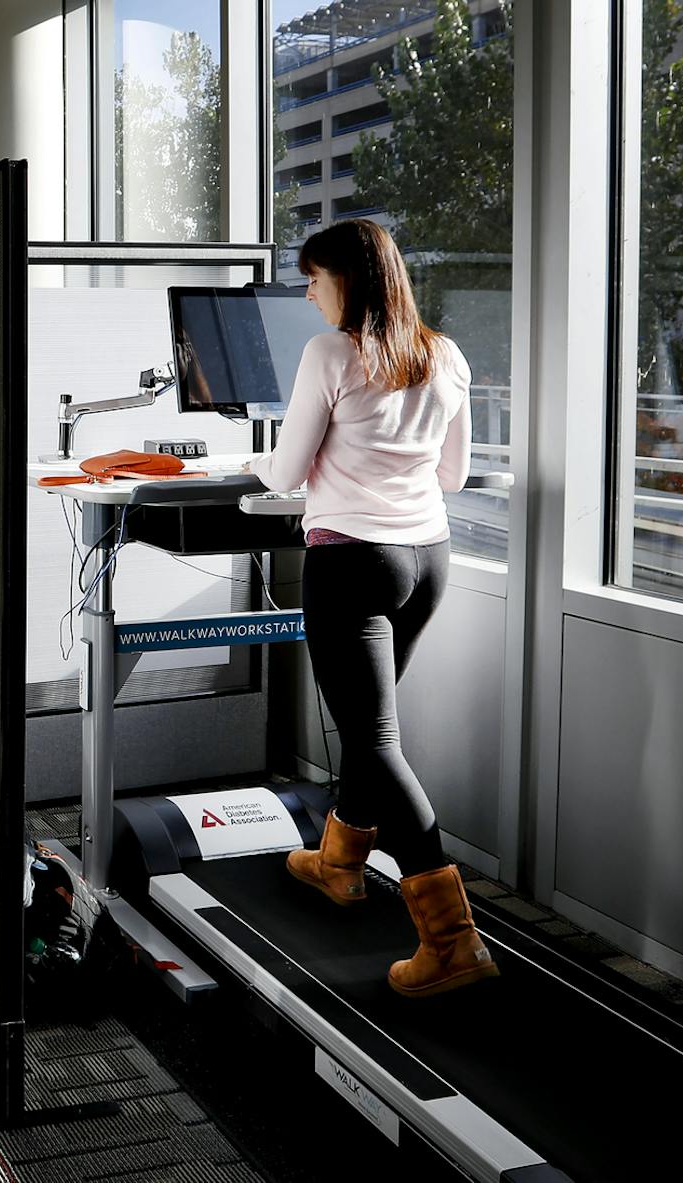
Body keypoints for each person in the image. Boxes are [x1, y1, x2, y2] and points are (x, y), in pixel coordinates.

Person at [246, 218, 496, 999]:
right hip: (427, 560)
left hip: (352, 561)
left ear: (349, 280)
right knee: (368, 724)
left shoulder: (329, 353)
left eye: (315, 279)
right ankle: (340, 864)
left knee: (375, 737)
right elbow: (453, 474)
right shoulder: (444, 354)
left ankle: (451, 940)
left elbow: (286, 470)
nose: (310, 293)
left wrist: (256, 459)